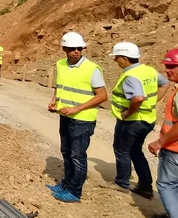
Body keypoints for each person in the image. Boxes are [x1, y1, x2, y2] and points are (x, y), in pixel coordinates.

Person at [46, 31, 107, 203]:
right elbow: (60, 86)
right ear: (64, 49)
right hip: (65, 116)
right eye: (72, 48)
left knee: (77, 156)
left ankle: (74, 191)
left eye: (79, 48)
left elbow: (102, 96)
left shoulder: (91, 69)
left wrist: (77, 108)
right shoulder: (61, 64)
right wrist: (54, 102)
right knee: (66, 152)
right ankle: (66, 183)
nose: (76, 51)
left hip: (83, 120)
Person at [108, 42, 169, 199]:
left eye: (117, 58)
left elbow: (138, 98)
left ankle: (121, 182)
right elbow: (164, 84)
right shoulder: (147, 70)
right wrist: (153, 102)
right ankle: (145, 186)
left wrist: (128, 112)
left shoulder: (131, 76)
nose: (116, 61)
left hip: (132, 121)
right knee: (135, 150)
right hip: (147, 119)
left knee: (121, 149)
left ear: (125, 58)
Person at [148, 48, 178, 218]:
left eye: (172, 66)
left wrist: (160, 142)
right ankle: (171, 216)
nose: (167, 70)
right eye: (166, 66)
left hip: (174, 149)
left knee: (166, 185)